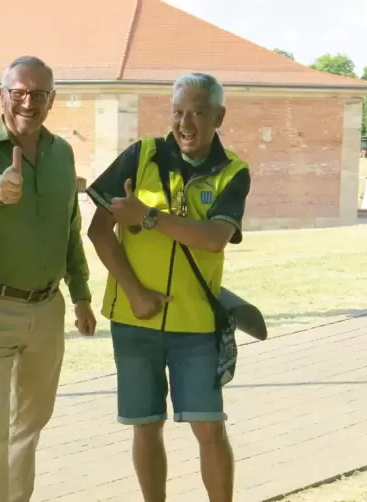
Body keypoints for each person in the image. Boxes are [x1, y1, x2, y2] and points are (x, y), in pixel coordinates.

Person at [86, 72, 251, 502]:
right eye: (178, 112)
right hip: (134, 318)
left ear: (219, 116)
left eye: (198, 112)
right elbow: (99, 231)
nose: (186, 124)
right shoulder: (140, 155)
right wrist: (136, 293)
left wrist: (149, 217)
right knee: (146, 425)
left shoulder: (232, 171)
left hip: (196, 324)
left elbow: (215, 236)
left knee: (209, 428)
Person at [0, 55, 97, 502]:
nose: (27, 102)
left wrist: (81, 296)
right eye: (18, 92)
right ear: (2, 96)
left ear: (51, 100)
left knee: (31, 424)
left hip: (47, 308)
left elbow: (69, 228)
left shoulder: (62, 153)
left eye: (38, 94)